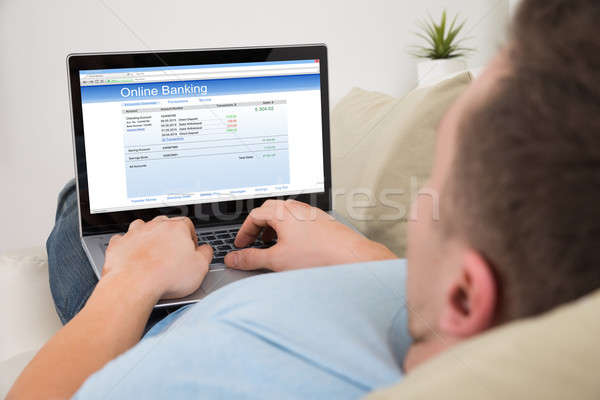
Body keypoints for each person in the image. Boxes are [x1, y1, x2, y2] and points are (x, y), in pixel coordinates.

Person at [8, 0, 600, 398]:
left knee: (79, 198)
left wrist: (129, 283)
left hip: (167, 307)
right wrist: (366, 255)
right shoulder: (516, 325)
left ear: (466, 294)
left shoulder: (178, 376)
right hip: (314, 270)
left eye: (430, 195)